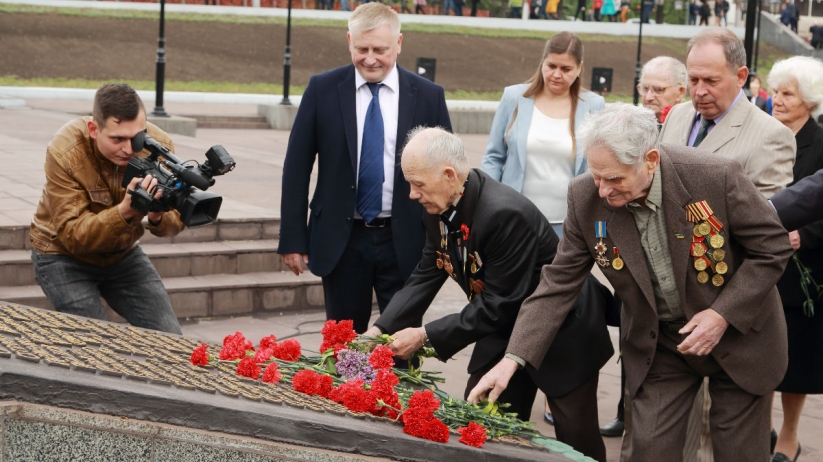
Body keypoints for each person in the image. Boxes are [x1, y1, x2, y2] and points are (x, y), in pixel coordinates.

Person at [468, 103, 794, 462]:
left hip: (739, 339)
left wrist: (722, 315)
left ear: (650, 159)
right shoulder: (584, 197)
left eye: (615, 179)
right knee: (649, 451)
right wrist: (512, 360)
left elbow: (772, 247)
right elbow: (556, 286)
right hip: (663, 346)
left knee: (738, 455)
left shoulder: (714, 176)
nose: (604, 191)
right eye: (597, 176)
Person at [365, 127, 616, 462]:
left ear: (449, 175)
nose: (412, 194)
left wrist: (425, 336)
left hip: (561, 329)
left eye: (418, 184)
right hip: (502, 325)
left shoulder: (502, 213)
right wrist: (380, 330)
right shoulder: (439, 206)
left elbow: (498, 303)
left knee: (574, 438)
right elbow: (427, 272)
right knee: (480, 417)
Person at [278, 3, 452, 334]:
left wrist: (448, 239)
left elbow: (447, 173)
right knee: (343, 344)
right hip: (342, 241)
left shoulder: (428, 96)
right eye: (362, 49)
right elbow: (297, 167)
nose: (370, 58)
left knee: (401, 344)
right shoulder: (322, 89)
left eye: (380, 50)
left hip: (406, 238)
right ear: (349, 41)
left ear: (399, 43)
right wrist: (292, 238)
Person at [29, 83, 183, 335]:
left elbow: (173, 222)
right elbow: (73, 234)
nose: (129, 148)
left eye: (137, 136)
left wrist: (159, 214)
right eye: (117, 139)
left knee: (171, 338)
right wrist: (125, 210)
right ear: (93, 129)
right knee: (95, 346)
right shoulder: (65, 150)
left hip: (122, 254)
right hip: (61, 254)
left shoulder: (158, 146)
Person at [482, 32, 605, 237]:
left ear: (579, 68)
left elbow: (597, 166)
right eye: (551, 66)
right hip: (513, 219)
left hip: (568, 225)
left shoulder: (593, 105)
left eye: (566, 69)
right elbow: (493, 156)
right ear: (543, 62)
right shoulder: (514, 97)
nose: (557, 74)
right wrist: (489, 200)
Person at [659, 28, 796, 199]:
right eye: (693, 80)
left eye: (711, 81)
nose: (700, 91)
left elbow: (762, 219)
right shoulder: (676, 114)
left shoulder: (772, 136)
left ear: (741, 76)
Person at [767, 55, 823, 462]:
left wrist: (804, 235)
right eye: (774, 92)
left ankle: (789, 435)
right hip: (763, 263)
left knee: (797, 357)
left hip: (807, 268)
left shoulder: (821, 143)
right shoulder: (766, 134)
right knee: (759, 349)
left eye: (788, 93)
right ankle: (757, 425)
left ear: (810, 100)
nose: (778, 100)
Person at [638, 56, 688, 123]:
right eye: (645, 88)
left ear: (680, 92)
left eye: (658, 89)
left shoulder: (689, 127)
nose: (648, 98)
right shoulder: (632, 125)